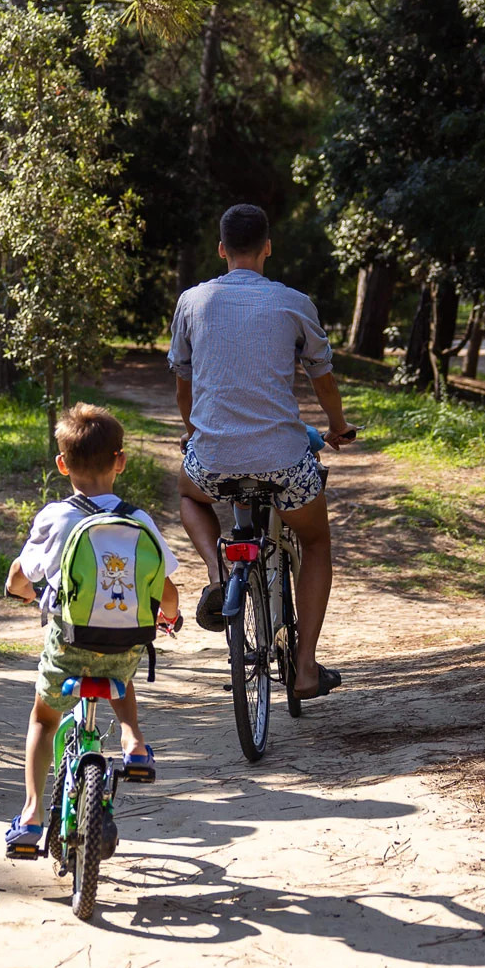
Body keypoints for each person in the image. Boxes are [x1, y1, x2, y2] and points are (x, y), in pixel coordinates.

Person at [171, 203, 356, 702]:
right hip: (285, 463)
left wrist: (195, 433)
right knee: (316, 543)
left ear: (221, 249)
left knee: (189, 496)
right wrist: (337, 428)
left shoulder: (192, 301)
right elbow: (324, 381)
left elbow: (183, 383)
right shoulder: (294, 303)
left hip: (212, 462)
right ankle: (306, 669)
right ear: (268, 247)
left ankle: (218, 571)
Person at [2, 405, 181, 858]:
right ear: (120, 461)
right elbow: (167, 588)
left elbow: (21, 577)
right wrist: (168, 617)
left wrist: (21, 592)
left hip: (70, 642)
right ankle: (133, 741)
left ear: (62, 465)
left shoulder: (56, 517)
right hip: (125, 643)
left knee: (44, 718)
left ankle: (31, 815)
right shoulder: (139, 521)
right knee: (121, 676)